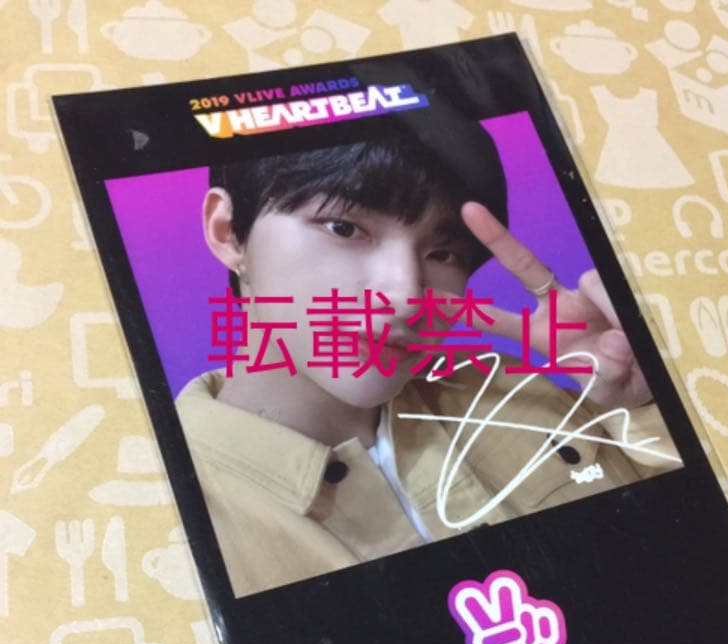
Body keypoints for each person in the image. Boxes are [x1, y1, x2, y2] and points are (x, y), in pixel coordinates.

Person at [176, 127, 679, 596]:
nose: (407, 295)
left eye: (444, 254)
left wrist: (643, 400)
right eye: (344, 228)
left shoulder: (522, 396)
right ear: (228, 231)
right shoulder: (164, 507)